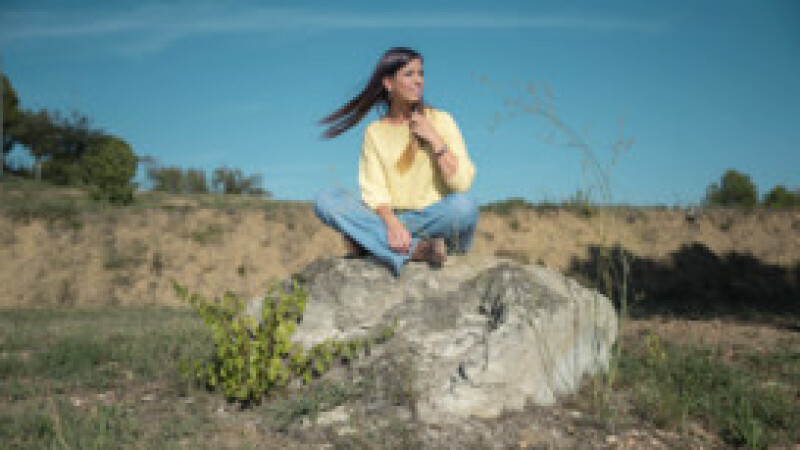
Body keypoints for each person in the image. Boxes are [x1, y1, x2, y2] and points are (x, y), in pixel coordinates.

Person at [315, 47, 478, 275]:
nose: (418, 81)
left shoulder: (441, 120)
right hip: (392, 220)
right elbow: (375, 192)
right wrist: (392, 225)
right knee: (326, 199)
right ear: (388, 83)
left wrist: (433, 138)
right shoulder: (375, 132)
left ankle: (371, 241)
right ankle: (417, 250)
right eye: (409, 74)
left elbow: (461, 184)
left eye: (421, 73)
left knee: (464, 207)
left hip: (436, 220)